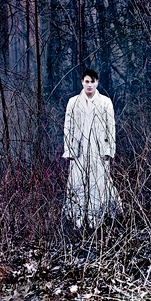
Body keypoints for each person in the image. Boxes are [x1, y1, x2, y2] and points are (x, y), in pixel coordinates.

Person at [63, 69, 119, 228]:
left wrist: (109, 150)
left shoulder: (105, 102)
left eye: (92, 81)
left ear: (97, 82)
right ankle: (78, 220)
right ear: (82, 82)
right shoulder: (73, 102)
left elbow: (111, 127)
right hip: (78, 150)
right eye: (87, 81)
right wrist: (69, 150)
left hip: (99, 150)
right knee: (77, 182)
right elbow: (68, 127)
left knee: (99, 182)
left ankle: (98, 220)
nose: (89, 85)